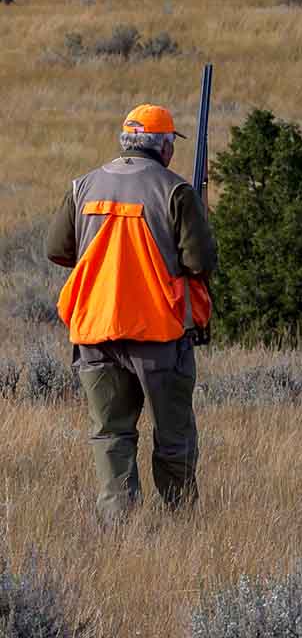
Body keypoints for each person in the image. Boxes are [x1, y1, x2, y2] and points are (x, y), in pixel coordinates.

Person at [46, 104, 216, 523]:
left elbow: (56, 249)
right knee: (173, 436)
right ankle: (179, 522)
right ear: (163, 146)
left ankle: (118, 526)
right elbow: (199, 262)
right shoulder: (175, 191)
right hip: (157, 334)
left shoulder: (81, 186)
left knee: (111, 434)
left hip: (96, 333)